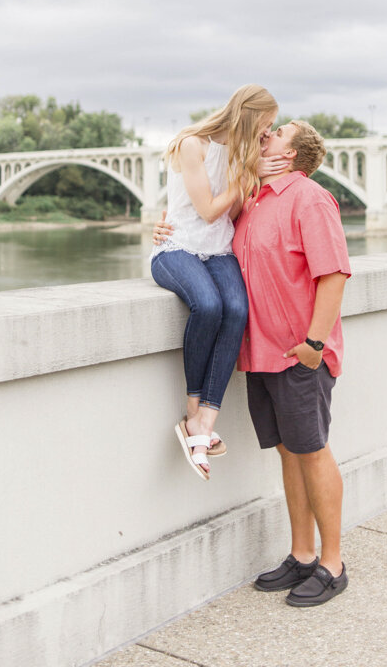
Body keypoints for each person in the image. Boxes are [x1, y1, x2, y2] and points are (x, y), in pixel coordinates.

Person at [155, 119, 351, 607]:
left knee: (313, 450)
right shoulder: (252, 201)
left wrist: (313, 344)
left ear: (290, 155)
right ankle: (301, 554)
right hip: (260, 354)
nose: (267, 133)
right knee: (288, 452)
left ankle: (332, 563)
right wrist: (166, 225)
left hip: (299, 354)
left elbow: (335, 274)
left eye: (278, 132)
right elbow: (201, 223)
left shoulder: (309, 198)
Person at [150, 84, 283, 482]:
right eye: (267, 124)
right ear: (249, 114)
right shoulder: (193, 144)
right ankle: (193, 415)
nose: (267, 132)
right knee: (208, 306)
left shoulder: (244, 153)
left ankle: (207, 421)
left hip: (219, 250)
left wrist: (250, 172)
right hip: (177, 249)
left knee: (237, 311)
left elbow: (234, 214)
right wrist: (246, 176)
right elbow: (208, 210)